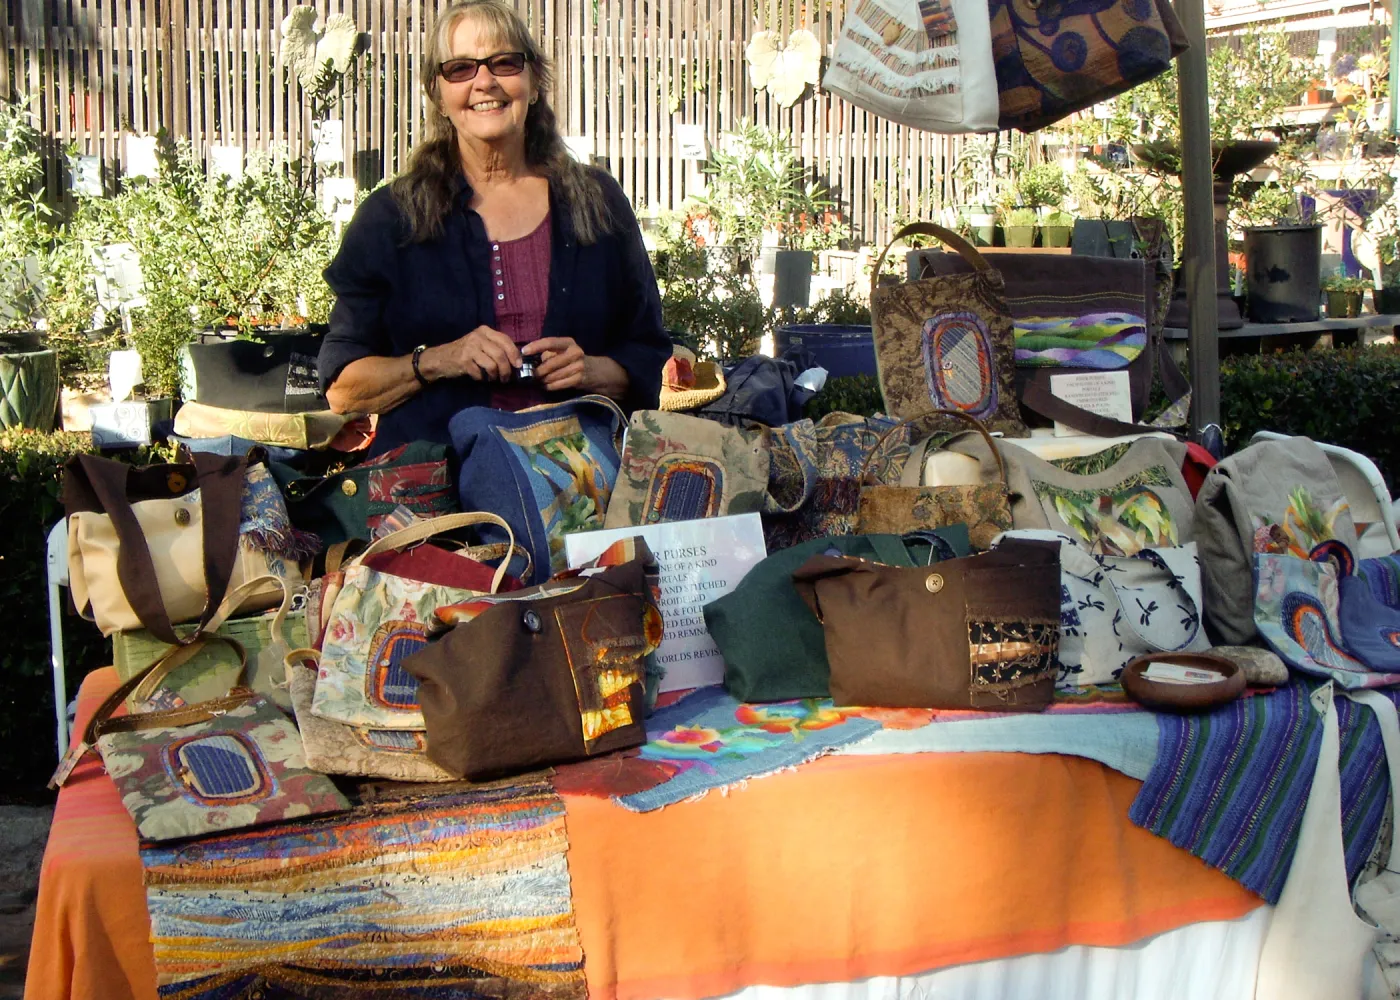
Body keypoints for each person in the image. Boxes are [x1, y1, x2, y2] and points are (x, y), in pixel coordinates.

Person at [319, 0, 670, 454]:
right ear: (438, 94)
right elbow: (343, 389)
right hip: (441, 495)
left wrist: (595, 372)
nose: (485, 81)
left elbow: (653, 353)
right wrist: (439, 360)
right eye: (461, 68)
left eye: (505, 62)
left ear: (534, 81)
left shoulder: (598, 203)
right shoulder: (392, 218)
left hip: (583, 483)